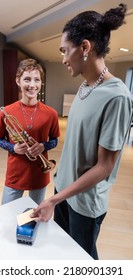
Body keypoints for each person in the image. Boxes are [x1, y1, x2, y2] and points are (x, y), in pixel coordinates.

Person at [30, 3, 133, 259]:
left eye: (66, 51)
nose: (64, 58)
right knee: (65, 254)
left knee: (83, 260)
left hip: (85, 204)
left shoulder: (117, 96)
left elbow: (104, 167)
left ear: (85, 47)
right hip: (63, 190)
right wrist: (57, 192)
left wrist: (54, 200)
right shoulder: (85, 87)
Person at [0, 58, 60, 205]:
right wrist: (13, 148)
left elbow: (55, 140)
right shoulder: (6, 111)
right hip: (15, 173)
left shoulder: (51, 113)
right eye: (27, 79)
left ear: (41, 82)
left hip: (39, 172)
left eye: (37, 80)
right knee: (6, 213)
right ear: (18, 80)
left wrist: (43, 146)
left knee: (34, 215)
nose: (32, 85)